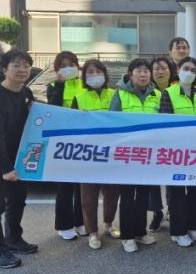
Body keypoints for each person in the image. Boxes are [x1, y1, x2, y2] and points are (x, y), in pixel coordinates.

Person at [0, 49, 37, 269]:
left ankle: (13, 238)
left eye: (26, 66)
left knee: (18, 199)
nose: (22, 70)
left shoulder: (25, 92)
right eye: (16, 65)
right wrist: (5, 168)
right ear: (5, 69)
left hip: (17, 154)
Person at [109, 58, 160, 253]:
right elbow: (112, 122)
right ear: (130, 74)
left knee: (143, 195)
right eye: (139, 71)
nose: (143, 74)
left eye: (146, 71)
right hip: (127, 154)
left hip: (149, 154)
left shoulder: (157, 94)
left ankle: (140, 231)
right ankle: (127, 236)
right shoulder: (120, 94)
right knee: (128, 195)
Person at [72, 59, 120, 250]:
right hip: (88, 154)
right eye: (90, 72)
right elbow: (73, 126)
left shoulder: (115, 94)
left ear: (105, 74)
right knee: (89, 197)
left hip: (112, 152)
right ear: (84, 77)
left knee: (112, 193)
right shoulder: (79, 97)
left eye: (98, 71)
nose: (94, 75)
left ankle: (108, 224)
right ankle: (92, 232)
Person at [159, 57, 196, 247]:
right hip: (176, 152)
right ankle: (178, 231)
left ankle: (193, 227)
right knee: (177, 193)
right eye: (186, 68)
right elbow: (165, 124)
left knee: (195, 192)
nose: (189, 73)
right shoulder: (168, 93)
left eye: (193, 70)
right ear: (178, 70)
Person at [47, 51, 87, 241]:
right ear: (57, 69)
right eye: (63, 66)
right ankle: (64, 224)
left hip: (84, 140)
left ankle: (81, 221)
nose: (68, 68)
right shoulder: (53, 86)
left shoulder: (84, 84)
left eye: (71, 64)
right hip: (63, 141)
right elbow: (53, 109)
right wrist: (60, 84)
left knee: (82, 185)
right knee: (65, 186)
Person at [147, 56, 176, 231]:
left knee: (172, 178)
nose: (160, 72)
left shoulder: (175, 90)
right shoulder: (147, 90)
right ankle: (157, 212)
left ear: (171, 71)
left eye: (164, 68)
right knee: (153, 180)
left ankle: (172, 210)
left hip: (172, 142)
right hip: (152, 142)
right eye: (156, 69)